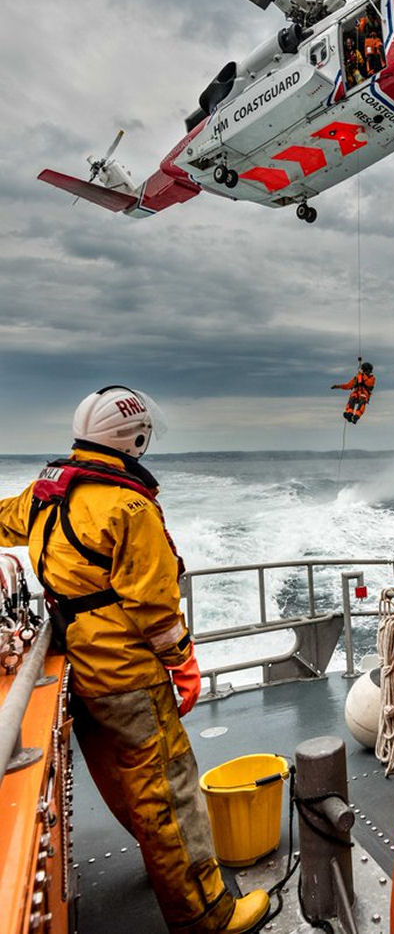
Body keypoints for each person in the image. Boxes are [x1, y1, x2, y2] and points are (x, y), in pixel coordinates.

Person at [0, 386, 269, 933]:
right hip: (127, 676)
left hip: (79, 667)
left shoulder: (47, 494)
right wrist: (184, 664)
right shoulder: (128, 506)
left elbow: (6, 521)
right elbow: (156, 609)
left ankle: (167, 871)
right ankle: (206, 914)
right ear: (134, 438)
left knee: (126, 788)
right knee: (168, 794)